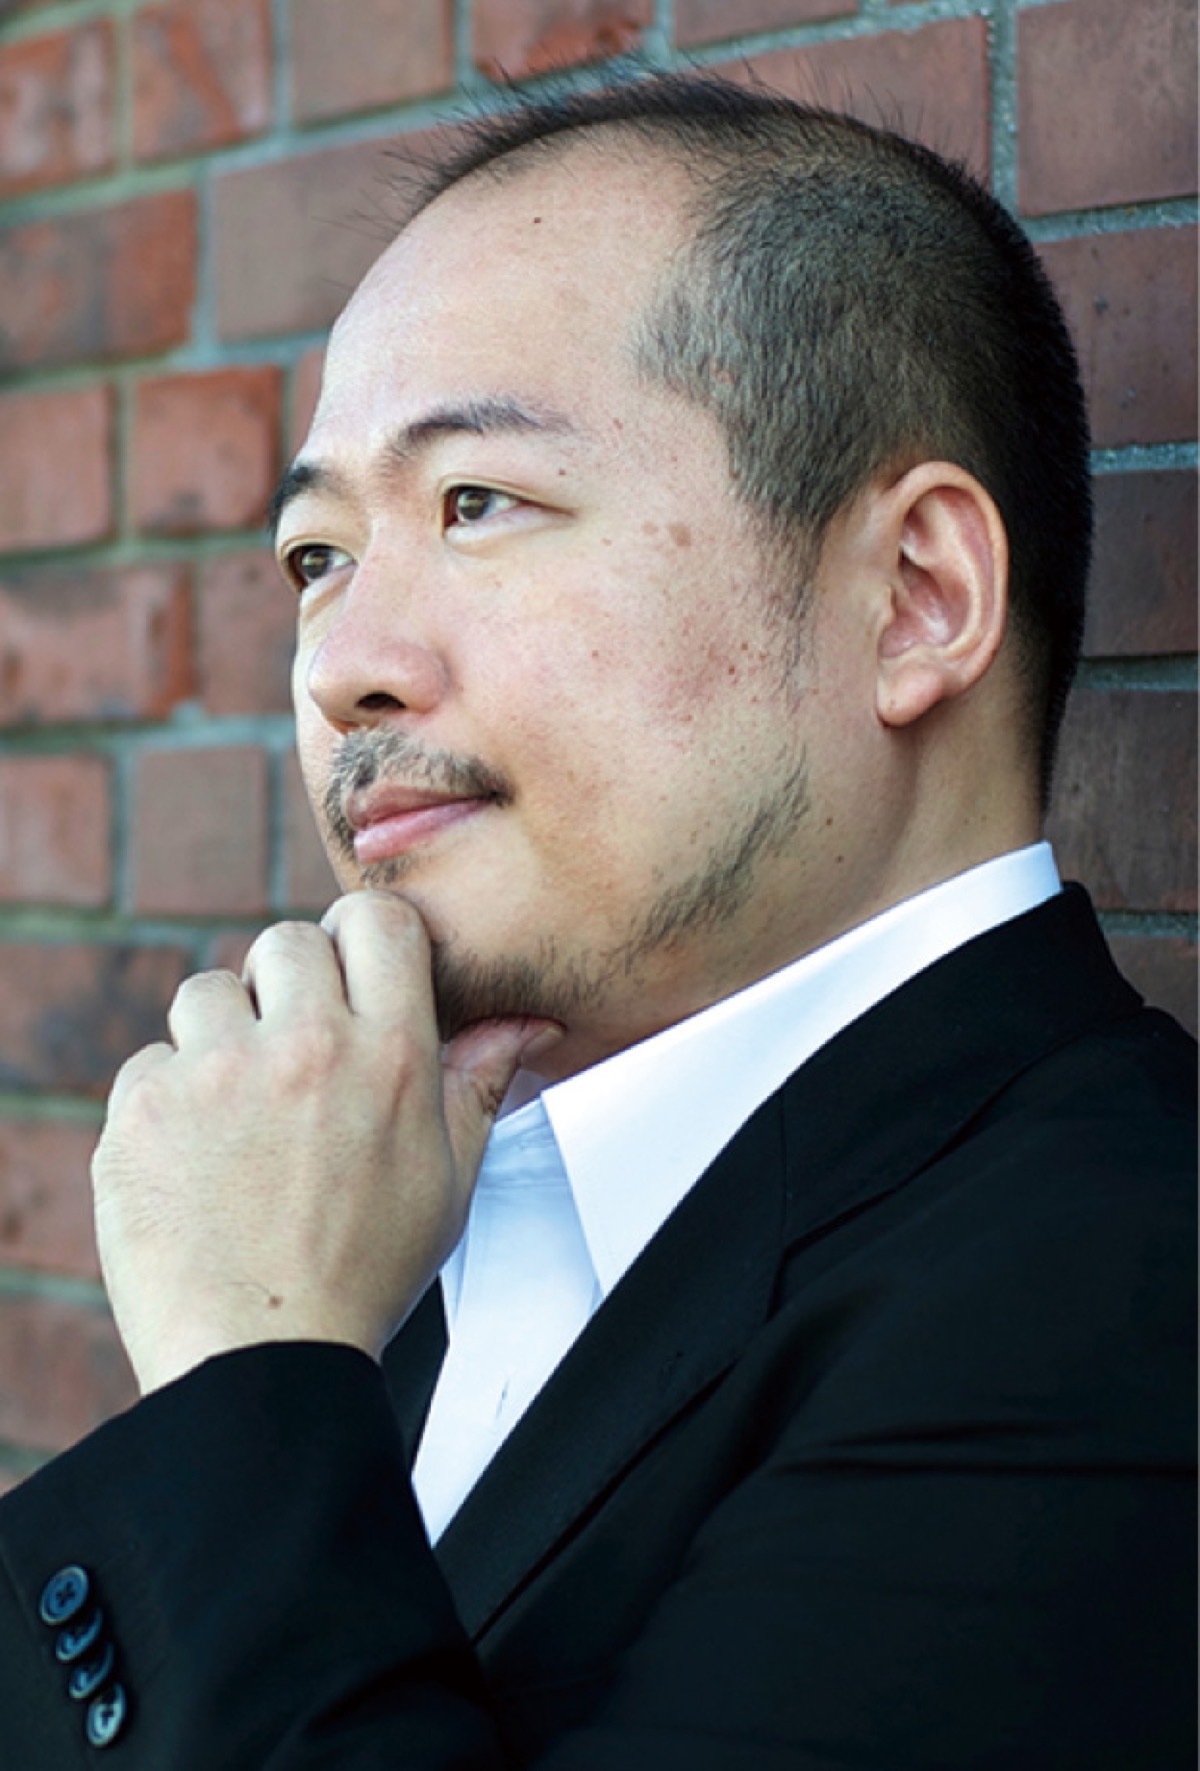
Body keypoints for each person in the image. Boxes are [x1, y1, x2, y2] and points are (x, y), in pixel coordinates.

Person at [0, 73, 1193, 1769]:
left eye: (477, 503)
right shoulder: (371, 1213)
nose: (342, 669)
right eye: (318, 556)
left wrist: (244, 1371)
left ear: (916, 599)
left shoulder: (1118, 1293)